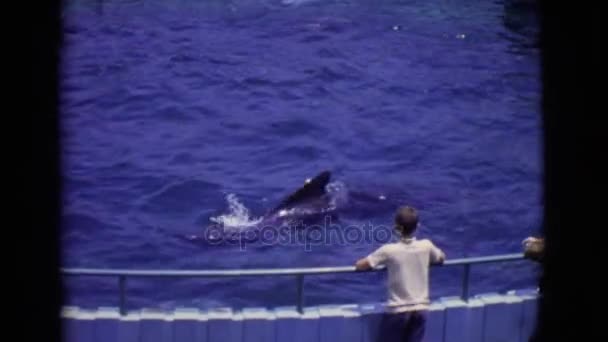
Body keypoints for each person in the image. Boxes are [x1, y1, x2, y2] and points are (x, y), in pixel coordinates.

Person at [355, 206, 445, 342]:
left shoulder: (388, 250)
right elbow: (441, 258)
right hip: (421, 309)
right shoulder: (426, 245)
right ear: (418, 226)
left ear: (396, 229)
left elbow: (361, 265)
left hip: (398, 311)